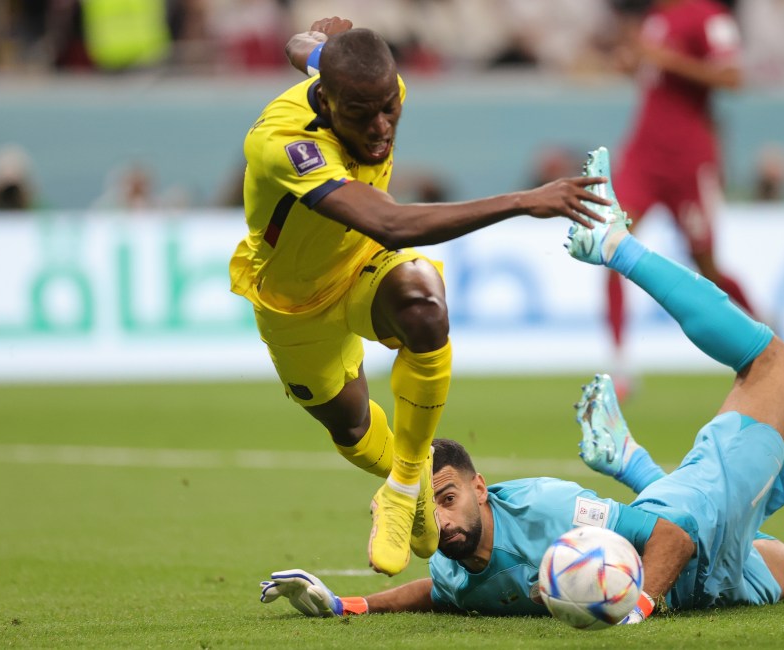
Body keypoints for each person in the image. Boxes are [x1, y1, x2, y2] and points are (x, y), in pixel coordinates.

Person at [258, 146, 784, 622]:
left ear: (480, 488)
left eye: (447, 498)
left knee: (772, 362)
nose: (442, 521)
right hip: (712, 585)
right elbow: (436, 594)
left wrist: (636, 609)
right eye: (431, 506)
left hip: (687, 529)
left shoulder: (547, 507)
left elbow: (674, 538)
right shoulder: (455, 569)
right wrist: (344, 604)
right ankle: (634, 466)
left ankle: (618, 248)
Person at [228, 18, 613, 577]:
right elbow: (389, 222)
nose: (381, 126)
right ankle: (403, 485)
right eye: (362, 115)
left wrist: (316, 41)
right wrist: (524, 201)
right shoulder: (284, 144)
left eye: (390, 108)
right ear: (328, 104)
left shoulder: (369, 83)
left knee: (424, 305)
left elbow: (303, 48)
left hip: (362, 264)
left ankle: (406, 485)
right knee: (352, 428)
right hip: (294, 301)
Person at [607, 0, 758, 399]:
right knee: (610, 244)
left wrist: (666, 59)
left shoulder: (709, 18)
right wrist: (633, 62)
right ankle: (621, 364)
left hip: (688, 160)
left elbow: (732, 77)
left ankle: (765, 333)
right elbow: (653, 74)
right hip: (643, 154)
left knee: (707, 266)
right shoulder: (656, 18)